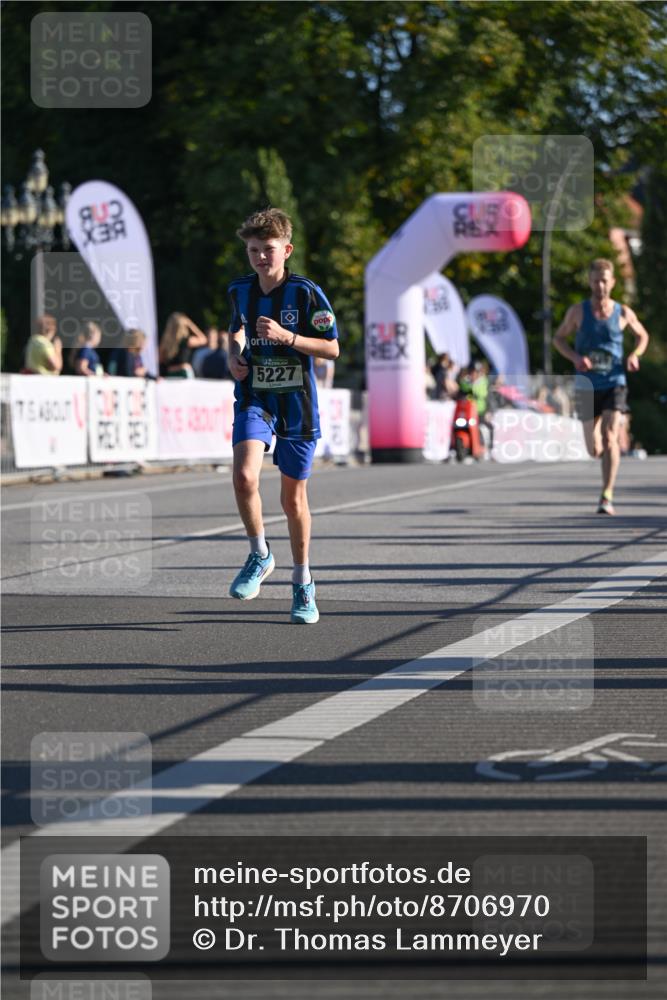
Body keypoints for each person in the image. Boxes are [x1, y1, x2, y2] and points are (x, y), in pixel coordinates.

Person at [226, 207, 339, 624]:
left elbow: (332, 348)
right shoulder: (239, 290)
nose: (260, 258)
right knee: (244, 477)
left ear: (286, 250)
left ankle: (302, 582)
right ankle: (259, 554)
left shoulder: (306, 292)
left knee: (293, 500)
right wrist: (234, 354)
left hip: (297, 404)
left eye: (268, 250)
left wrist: (288, 336)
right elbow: (236, 328)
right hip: (256, 396)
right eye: (253, 250)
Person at [553, 258, 649, 515]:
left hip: (614, 381)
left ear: (613, 282)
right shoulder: (577, 312)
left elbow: (643, 335)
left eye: (605, 281)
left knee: (610, 436)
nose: (601, 286)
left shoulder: (623, 312)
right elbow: (558, 338)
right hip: (586, 384)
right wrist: (574, 357)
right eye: (596, 281)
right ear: (590, 282)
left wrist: (635, 354)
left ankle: (607, 494)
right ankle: (603, 474)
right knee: (594, 448)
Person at [158, 312, 207, 378]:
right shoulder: (187, 341)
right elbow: (204, 339)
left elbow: (161, 362)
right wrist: (190, 324)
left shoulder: (165, 343)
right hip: (183, 371)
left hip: (170, 373)